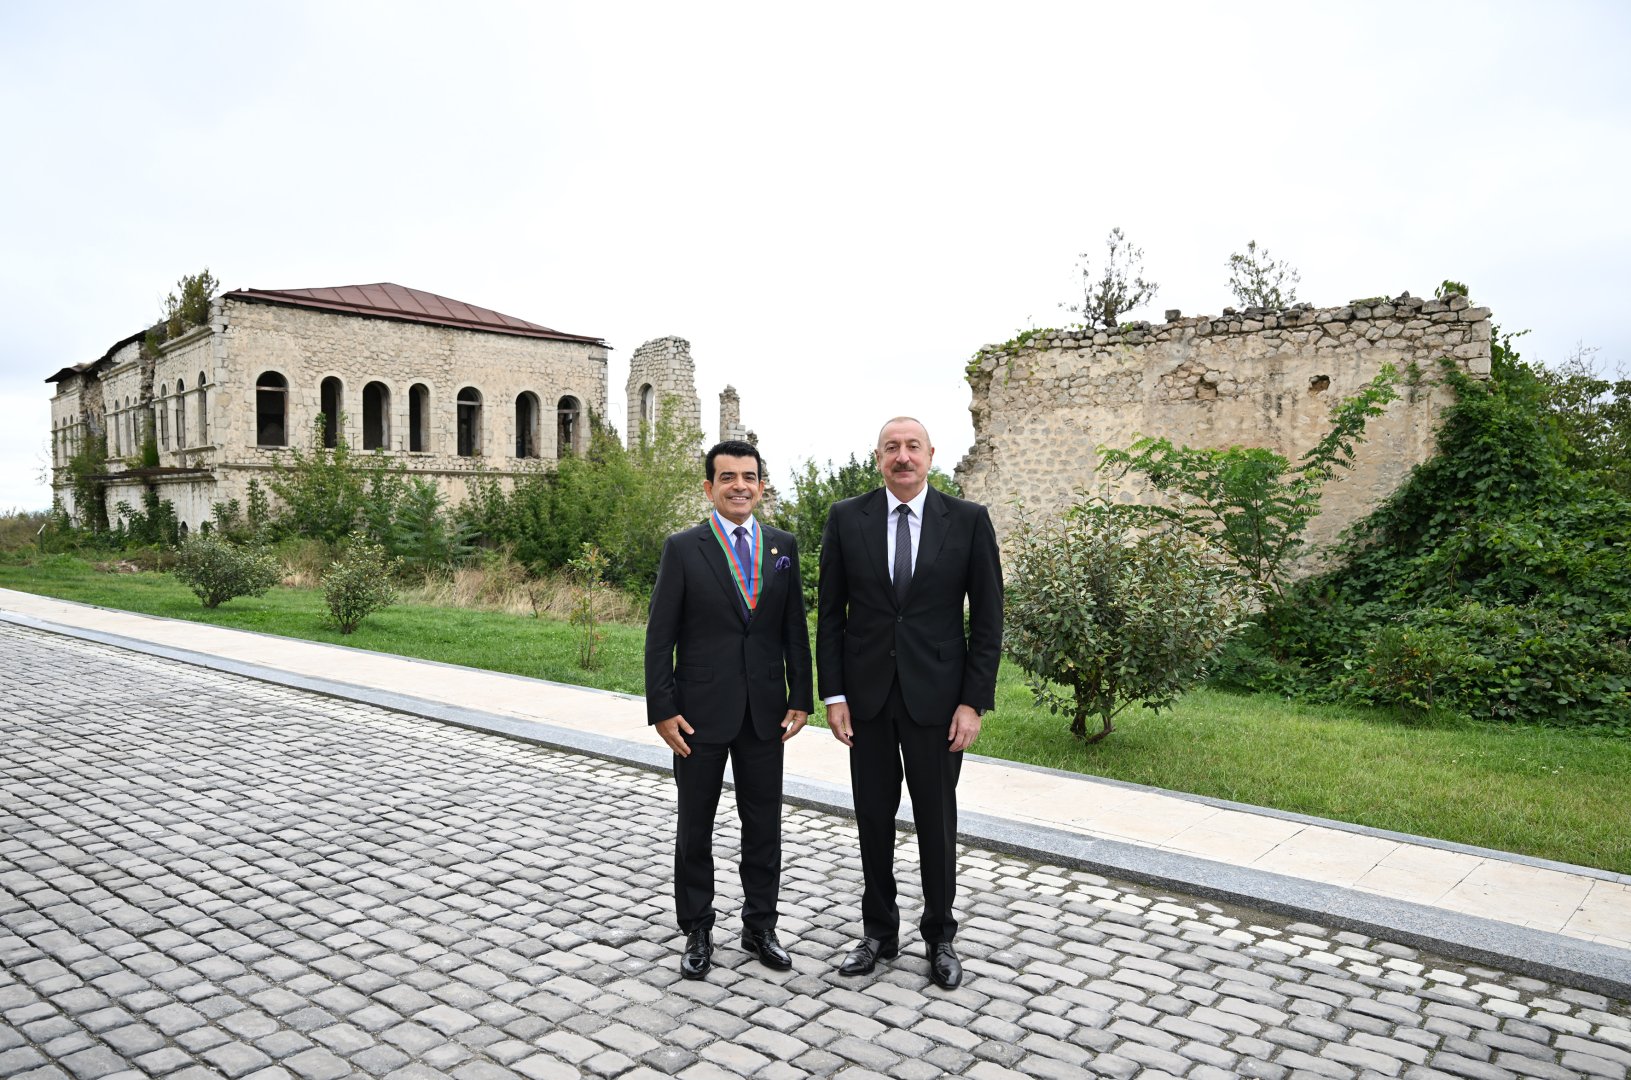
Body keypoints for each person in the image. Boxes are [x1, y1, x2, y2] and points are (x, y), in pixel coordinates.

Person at [817, 416, 1002, 990]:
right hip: (866, 700)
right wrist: (834, 694)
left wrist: (972, 703)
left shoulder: (968, 521)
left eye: (912, 446)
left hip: (939, 703)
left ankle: (940, 936)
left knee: (936, 822)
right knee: (872, 818)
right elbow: (830, 614)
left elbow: (989, 620)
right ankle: (878, 933)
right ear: (878, 458)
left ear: (930, 455)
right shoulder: (846, 518)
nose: (903, 456)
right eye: (892, 447)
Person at [645, 439, 813, 980]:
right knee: (695, 826)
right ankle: (696, 928)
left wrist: (801, 695)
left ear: (761, 485)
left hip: (765, 713)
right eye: (727, 477)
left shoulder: (782, 546)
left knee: (763, 825)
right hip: (697, 714)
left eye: (749, 477)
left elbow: (793, 628)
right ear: (709, 487)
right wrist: (662, 708)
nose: (739, 486)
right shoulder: (683, 548)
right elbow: (660, 635)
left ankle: (760, 926)